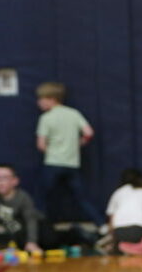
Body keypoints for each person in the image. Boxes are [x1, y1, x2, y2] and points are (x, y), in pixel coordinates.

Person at [35, 81, 104, 230]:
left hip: (52, 163)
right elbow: (89, 133)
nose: (39, 103)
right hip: (72, 163)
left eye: (42, 99)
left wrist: (52, 150)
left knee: (43, 199)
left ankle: (41, 229)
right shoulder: (73, 114)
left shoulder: (46, 118)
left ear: (52, 99)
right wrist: (79, 143)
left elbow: (41, 145)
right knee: (82, 198)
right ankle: (101, 225)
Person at [0, 164, 56, 253]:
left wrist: (32, 242)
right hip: (18, 231)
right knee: (16, 233)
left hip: (38, 228)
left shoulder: (23, 197)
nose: (0, 182)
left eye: (4, 178)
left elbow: (31, 221)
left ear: (15, 181)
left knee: (50, 241)